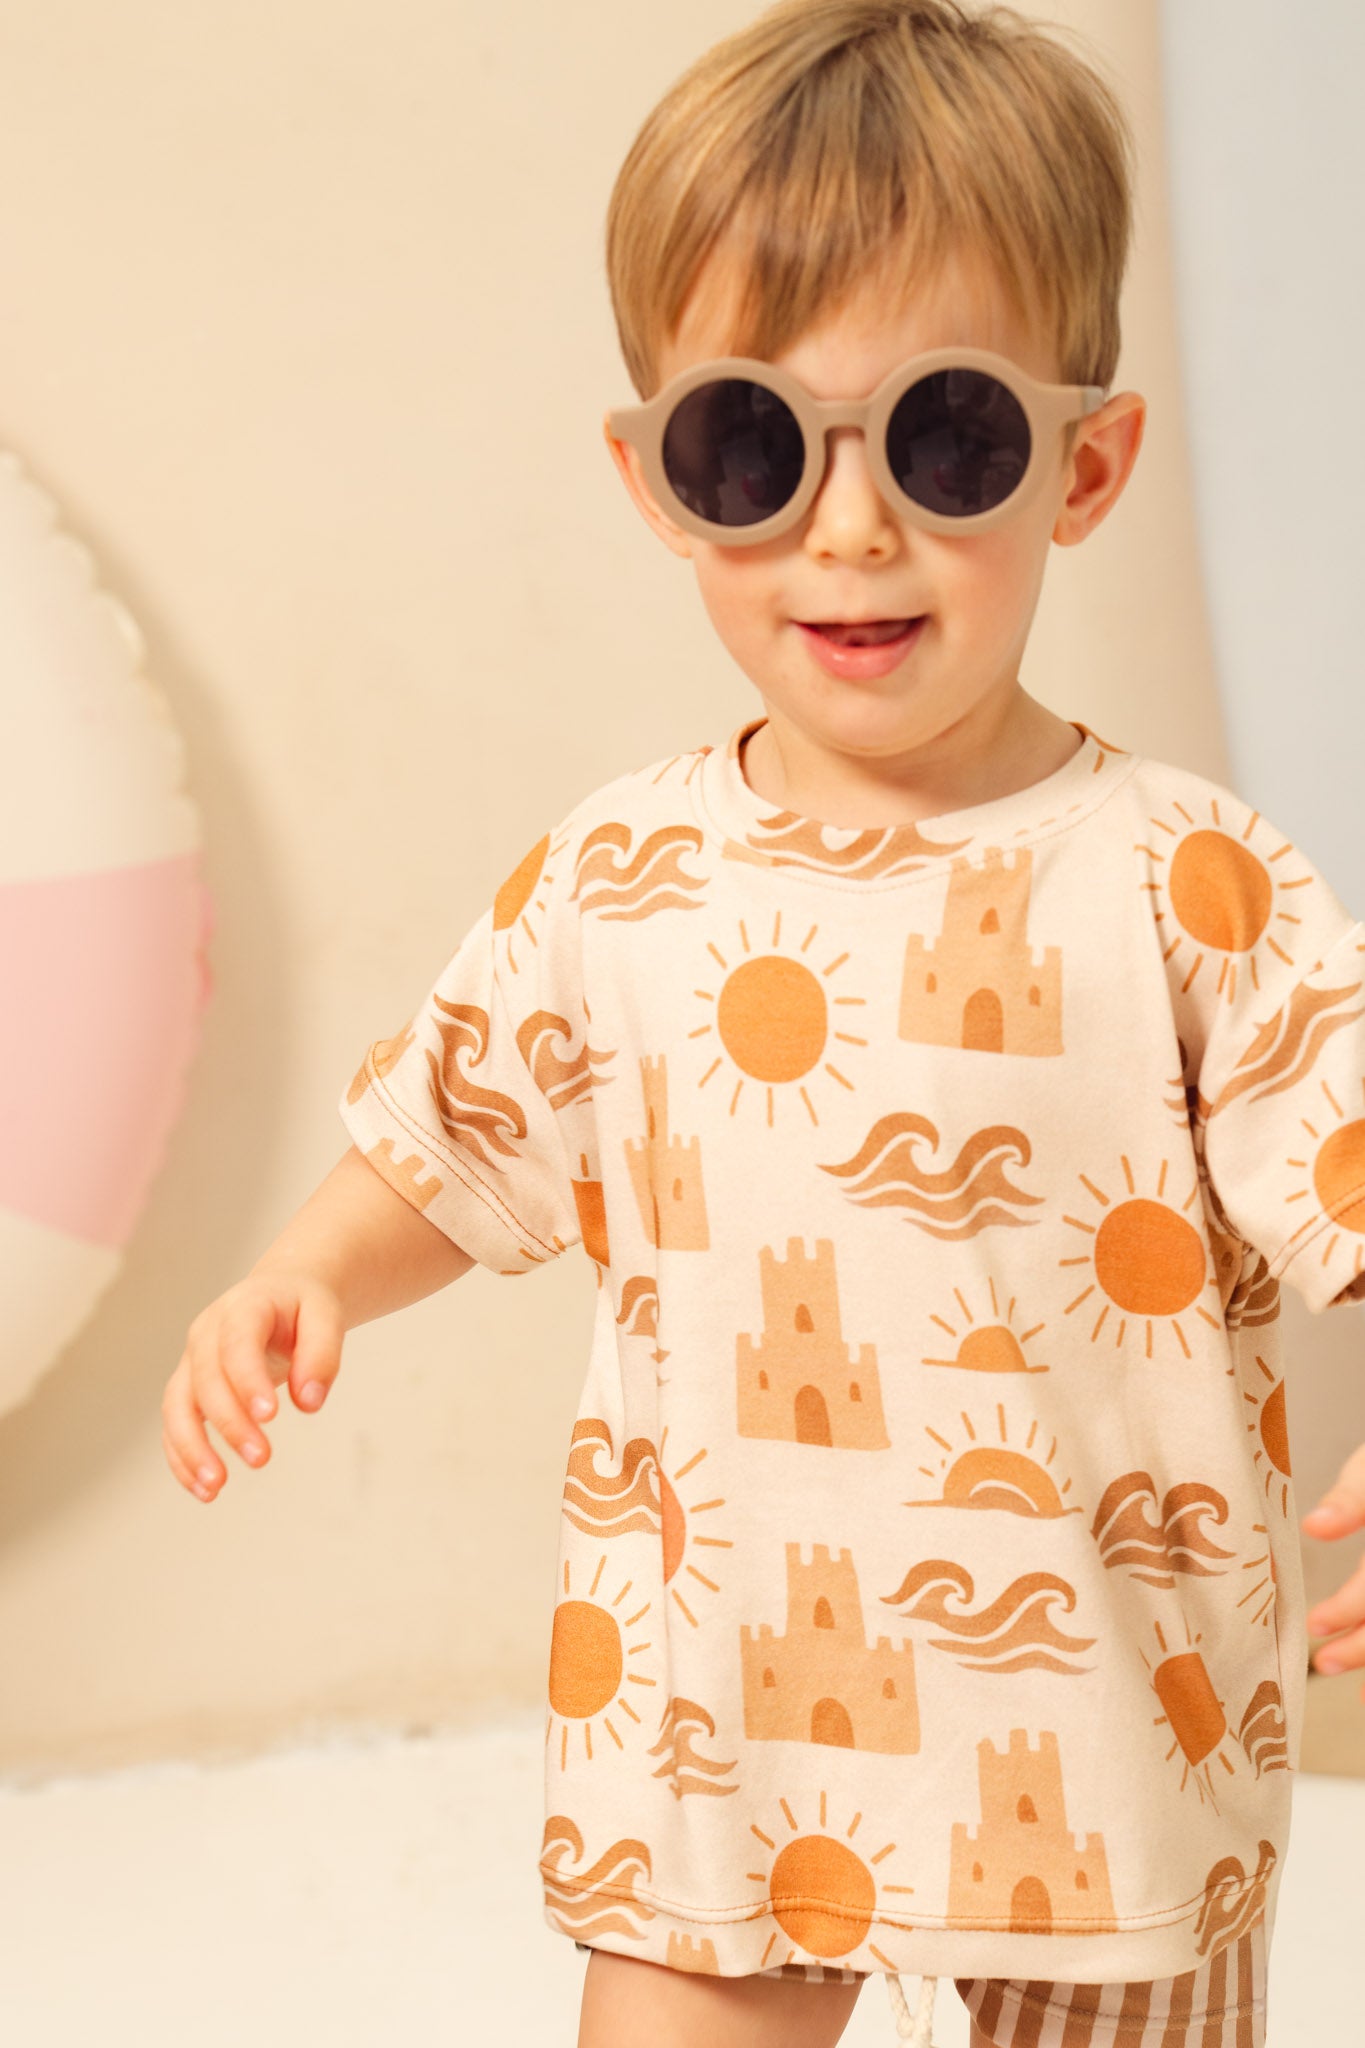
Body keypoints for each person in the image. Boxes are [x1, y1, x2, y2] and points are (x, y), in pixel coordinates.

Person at [161, 3, 1365, 2043]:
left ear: (1085, 465)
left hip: (1111, 1726)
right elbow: (455, 1131)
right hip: (720, 1727)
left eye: (949, 438)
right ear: (653, 482)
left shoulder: (1187, 885)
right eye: (750, 445)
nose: (849, 527)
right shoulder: (620, 876)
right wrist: (306, 1272)